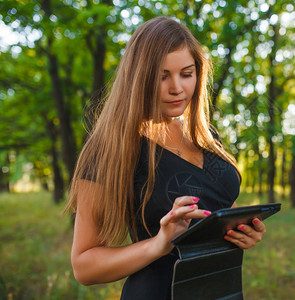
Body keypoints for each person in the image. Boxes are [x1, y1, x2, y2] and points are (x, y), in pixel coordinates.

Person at [65, 16, 266, 299]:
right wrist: (159, 244)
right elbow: (83, 267)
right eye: (162, 76)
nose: (177, 88)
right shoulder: (110, 149)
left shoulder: (205, 136)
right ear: (138, 78)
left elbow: (214, 209)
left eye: (186, 74)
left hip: (223, 291)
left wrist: (239, 230)